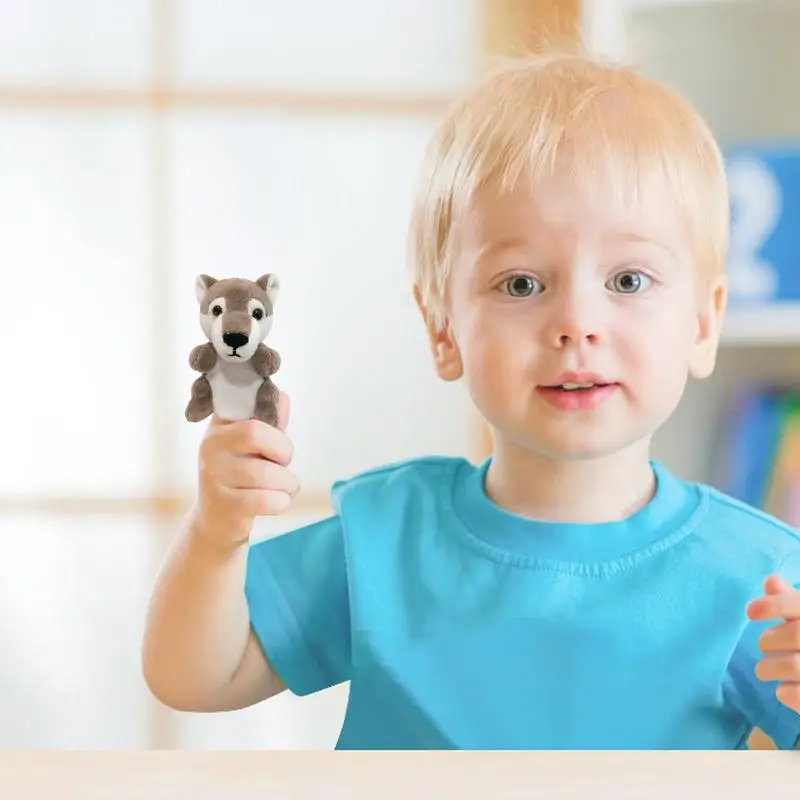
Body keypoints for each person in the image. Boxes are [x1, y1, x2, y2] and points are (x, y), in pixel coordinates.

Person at [141, 47, 800, 749]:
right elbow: (194, 678)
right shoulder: (384, 541)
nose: (577, 322)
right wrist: (218, 534)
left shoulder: (755, 576)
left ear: (703, 324)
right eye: (521, 284)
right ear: (443, 329)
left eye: (629, 280)